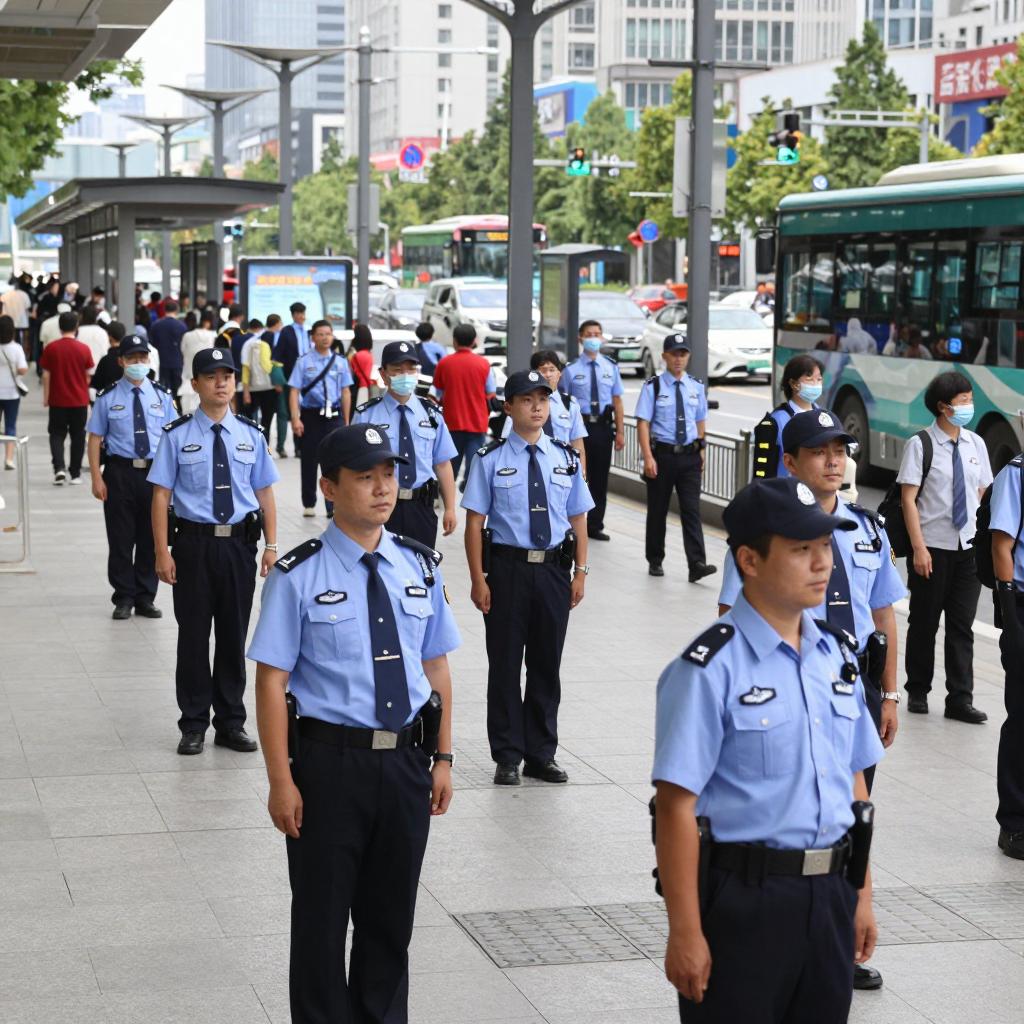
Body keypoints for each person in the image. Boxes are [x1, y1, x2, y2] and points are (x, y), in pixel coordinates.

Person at [247, 422, 459, 1024]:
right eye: (364, 477)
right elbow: (271, 680)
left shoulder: (419, 566)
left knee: (390, 921)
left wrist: (443, 758)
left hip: (405, 765)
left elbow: (436, 667)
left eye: (388, 475)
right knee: (320, 921)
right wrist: (281, 779)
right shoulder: (298, 573)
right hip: (328, 765)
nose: (382, 489)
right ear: (329, 488)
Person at [653, 475, 884, 1023]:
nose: (822, 562)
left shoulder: (837, 656)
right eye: (801, 549)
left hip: (830, 893)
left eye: (825, 546)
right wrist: (685, 931)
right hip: (745, 900)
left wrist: (862, 894)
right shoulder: (708, 669)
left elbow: (855, 782)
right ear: (750, 562)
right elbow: (675, 805)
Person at [717, 408, 904, 990]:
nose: (834, 460)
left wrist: (890, 691)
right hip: (792, 687)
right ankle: (796, 934)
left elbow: (884, 614)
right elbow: (731, 615)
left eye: (840, 450)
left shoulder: (866, 529)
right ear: (791, 462)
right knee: (803, 804)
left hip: (856, 687)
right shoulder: (767, 536)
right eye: (820, 451)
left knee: (852, 806)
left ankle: (840, 936)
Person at [462, 369, 594, 786]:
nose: (537, 406)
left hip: (554, 571)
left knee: (545, 665)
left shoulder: (565, 458)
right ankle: (507, 754)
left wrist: (581, 571)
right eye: (526, 399)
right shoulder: (490, 459)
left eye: (543, 399)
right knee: (503, 665)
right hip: (507, 571)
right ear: (508, 407)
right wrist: (478, 578)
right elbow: (474, 523)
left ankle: (541, 753)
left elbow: (578, 518)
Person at [149, 347, 280, 756]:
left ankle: (230, 722)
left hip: (239, 546)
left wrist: (271, 545)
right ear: (195, 385)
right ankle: (192, 724)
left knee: (232, 635)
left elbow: (264, 493)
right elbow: (160, 496)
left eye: (226, 376)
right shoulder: (177, 435)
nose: (221, 383)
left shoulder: (251, 434)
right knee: (192, 636)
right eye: (211, 376)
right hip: (192, 546)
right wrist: (161, 552)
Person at [898, 371, 992, 723]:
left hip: (967, 547)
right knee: (923, 622)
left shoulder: (976, 445)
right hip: (932, 547)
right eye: (963, 400)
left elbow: (984, 494)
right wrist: (918, 548)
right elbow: (909, 500)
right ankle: (918, 690)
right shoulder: (920, 444)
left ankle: (960, 699)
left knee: (962, 626)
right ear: (943, 406)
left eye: (969, 399)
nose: (969, 405)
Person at [87, 336, 176, 620]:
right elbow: (95, 438)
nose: (139, 363)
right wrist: (96, 478)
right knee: (121, 538)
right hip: (119, 473)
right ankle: (123, 596)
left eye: (143, 358)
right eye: (133, 359)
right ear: (121, 361)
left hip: (154, 475)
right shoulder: (108, 397)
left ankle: (145, 596)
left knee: (151, 536)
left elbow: (173, 438)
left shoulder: (162, 396)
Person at [352, 340, 458, 548]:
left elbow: (443, 464)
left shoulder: (431, 414)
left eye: (411, 369)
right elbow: (354, 466)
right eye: (398, 370)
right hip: (379, 505)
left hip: (421, 507)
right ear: (383, 374)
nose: (405, 375)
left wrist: (450, 508)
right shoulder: (367, 415)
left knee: (420, 571)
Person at [636, 334, 715, 582]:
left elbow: (700, 420)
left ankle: (697, 563)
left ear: (688, 356)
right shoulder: (654, 386)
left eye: (683, 354)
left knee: (691, 510)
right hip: (663, 455)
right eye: (674, 354)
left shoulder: (695, 386)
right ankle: (655, 559)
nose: (678, 359)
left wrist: (701, 451)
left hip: (689, 457)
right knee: (658, 510)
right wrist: (648, 457)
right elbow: (643, 423)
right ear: (664, 357)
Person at [559, 319, 625, 541]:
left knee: (599, 477)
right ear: (580, 338)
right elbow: (563, 402)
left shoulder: (611, 367)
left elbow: (617, 401)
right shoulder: (570, 370)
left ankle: (595, 525)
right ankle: (572, 520)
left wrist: (621, 432)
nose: (593, 338)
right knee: (577, 474)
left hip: (603, 427)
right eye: (589, 334)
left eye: (597, 334)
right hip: (580, 426)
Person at [991, 454, 1024, 860]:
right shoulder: (1016, 474)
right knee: (1022, 716)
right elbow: (1002, 544)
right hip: (1021, 601)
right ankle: (1014, 823)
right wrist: (1009, 613)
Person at [288, 319, 354, 517]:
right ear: (313, 337)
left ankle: (332, 505)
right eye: (321, 334)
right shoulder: (304, 362)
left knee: (334, 461)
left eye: (328, 334)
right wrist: (295, 418)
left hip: (334, 417)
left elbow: (346, 392)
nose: (325, 338)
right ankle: (309, 503)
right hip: (311, 416)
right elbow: (293, 391)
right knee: (309, 460)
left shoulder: (341, 362)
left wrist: (346, 421)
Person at [431, 323, 496, 491]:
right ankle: (470, 500)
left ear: (454, 341)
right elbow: (490, 391)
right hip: (477, 423)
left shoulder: (444, 364)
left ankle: (445, 500)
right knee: (474, 467)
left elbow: (437, 392)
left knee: (449, 467)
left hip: (451, 423)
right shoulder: (484, 365)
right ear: (474, 341)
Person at [500, 350, 587, 471]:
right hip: (527, 467)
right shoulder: (521, 405)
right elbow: (506, 439)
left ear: (559, 373)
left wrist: (582, 475)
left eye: (552, 370)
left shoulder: (569, 404)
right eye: (543, 370)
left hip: (562, 468)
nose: (548, 375)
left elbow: (577, 444)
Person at [39, 310, 92, 485]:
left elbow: (46, 375)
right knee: (78, 436)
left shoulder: (51, 348)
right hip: (79, 400)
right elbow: (88, 375)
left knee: (56, 434)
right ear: (76, 327)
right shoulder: (84, 349)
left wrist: (46, 397)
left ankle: (59, 469)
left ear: (60, 327)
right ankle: (75, 473)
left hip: (57, 400)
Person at [765, 353, 825, 478]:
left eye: (819, 379)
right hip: (785, 490)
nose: (816, 384)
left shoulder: (824, 417)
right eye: (809, 379)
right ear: (793, 383)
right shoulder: (777, 420)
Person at [241, 321, 277, 445]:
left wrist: (246, 392)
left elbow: (245, 370)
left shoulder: (247, 345)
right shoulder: (266, 346)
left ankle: (255, 445)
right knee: (267, 421)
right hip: (268, 388)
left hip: (253, 389)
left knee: (252, 420)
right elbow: (268, 367)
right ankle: (265, 446)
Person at [0, 316, 28, 470]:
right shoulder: (16, 348)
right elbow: (23, 369)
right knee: (10, 426)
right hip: (11, 393)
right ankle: (9, 459)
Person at [179, 308, 216, 415]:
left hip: (188, 380)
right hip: (208, 382)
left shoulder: (187, 335)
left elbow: (183, 351)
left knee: (187, 415)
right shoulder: (214, 336)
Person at [149, 299, 187, 395]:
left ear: (164, 310)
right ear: (177, 310)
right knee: (177, 391)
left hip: (161, 362)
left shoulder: (155, 325)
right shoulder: (182, 326)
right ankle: (177, 408)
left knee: (162, 391)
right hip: (177, 362)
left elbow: (152, 345)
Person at [88, 321, 131, 395]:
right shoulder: (129, 359)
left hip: (109, 402)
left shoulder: (105, 360)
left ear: (109, 337)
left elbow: (96, 385)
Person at [77, 304, 110, 388]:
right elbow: (105, 353)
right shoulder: (102, 332)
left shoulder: (78, 332)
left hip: (81, 372)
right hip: (99, 371)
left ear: (82, 316)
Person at [348, 323, 376, 407]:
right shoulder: (368, 354)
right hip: (366, 387)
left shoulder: (356, 355)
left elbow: (350, 371)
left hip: (358, 388)